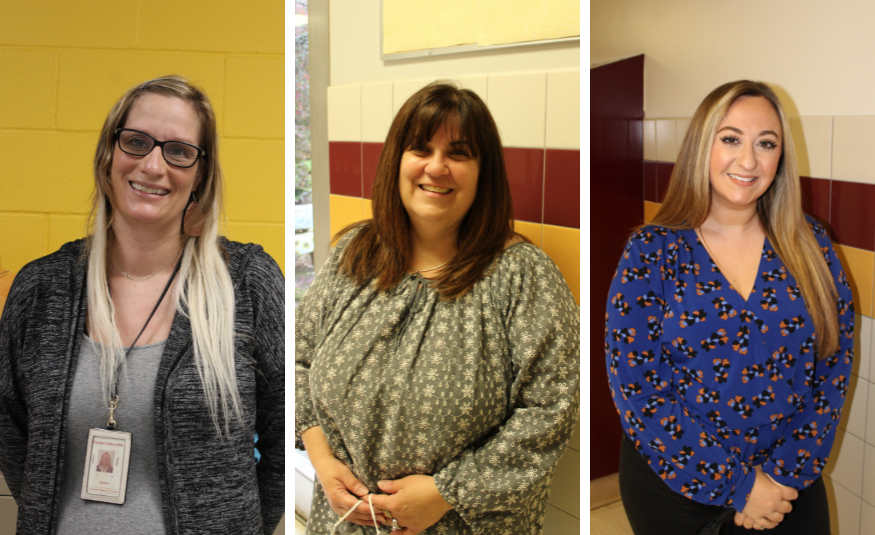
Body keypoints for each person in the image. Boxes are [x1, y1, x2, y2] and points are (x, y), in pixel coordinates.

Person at [0, 76, 284, 534]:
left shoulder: (247, 282)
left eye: (179, 151)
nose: (153, 165)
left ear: (201, 175)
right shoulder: (41, 287)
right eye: (136, 142)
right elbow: (10, 427)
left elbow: (282, 435)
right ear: (109, 155)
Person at [295, 81, 580, 534]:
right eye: (420, 148)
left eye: (460, 153)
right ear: (397, 161)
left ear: (484, 172)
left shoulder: (523, 276)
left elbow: (551, 410)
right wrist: (322, 460)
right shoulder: (355, 253)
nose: (437, 167)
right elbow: (299, 358)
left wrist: (448, 492)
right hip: (345, 521)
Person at [604, 80, 853, 534]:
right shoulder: (652, 252)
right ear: (703, 146)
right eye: (731, 139)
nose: (748, 160)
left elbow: (834, 365)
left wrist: (781, 476)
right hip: (674, 489)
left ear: (780, 159)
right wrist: (739, 486)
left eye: (766, 144)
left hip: (786, 486)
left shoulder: (811, 244)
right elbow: (637, 390)